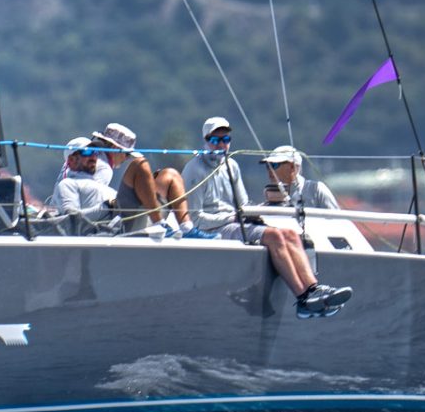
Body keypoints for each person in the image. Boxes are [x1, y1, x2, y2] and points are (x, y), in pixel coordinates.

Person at [180, 116, 352, 318]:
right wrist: (231, 218)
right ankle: (303, 298)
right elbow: (196, 220)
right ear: (206, 140)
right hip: (213, 229)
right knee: (274, 237)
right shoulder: (194, 170)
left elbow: (243, 205)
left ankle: (313, 289)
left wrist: (254, 215)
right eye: (215, 140)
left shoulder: (232, 165)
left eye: (225, 140)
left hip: (236, 223)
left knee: (289, 234)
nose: (221, 145)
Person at [92, 122, 188, 230]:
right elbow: (95, 198)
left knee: (169, 174)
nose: (125, 159)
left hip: (116, 217)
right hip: (115, 224)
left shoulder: (94, 158)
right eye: (127, 154)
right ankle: (162, 225)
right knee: (140, 164)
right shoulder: (104, 168)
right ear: (115, 148)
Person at [259, 145, 339, 213]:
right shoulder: (269, 195)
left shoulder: (316, 189)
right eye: (268, 166)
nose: (270, 170)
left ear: (292, 167)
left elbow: (337, 221)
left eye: (274, 165)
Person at [51, 137, 113, 214]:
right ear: (71, 160)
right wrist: (105, 207)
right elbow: (72, 219)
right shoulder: (67, 185)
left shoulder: (109, 191)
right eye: (87, 152)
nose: (93, 157)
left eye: (95, 152)